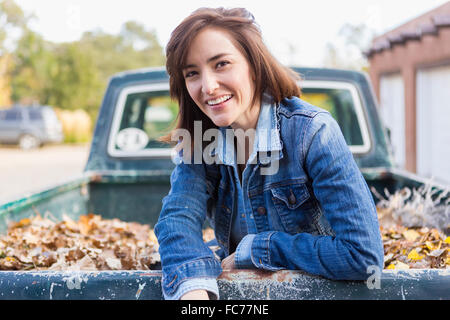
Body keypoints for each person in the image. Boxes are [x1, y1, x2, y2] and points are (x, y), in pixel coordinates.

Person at [154, 7, 384, 300]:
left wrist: (257, 249)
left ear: (253, 64)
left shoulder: (312, 133)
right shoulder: (200, 140)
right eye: (192, 73)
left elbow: (362, 255)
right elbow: (177, 219)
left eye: (221, 64)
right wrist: (194, 295)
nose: (208, 86)